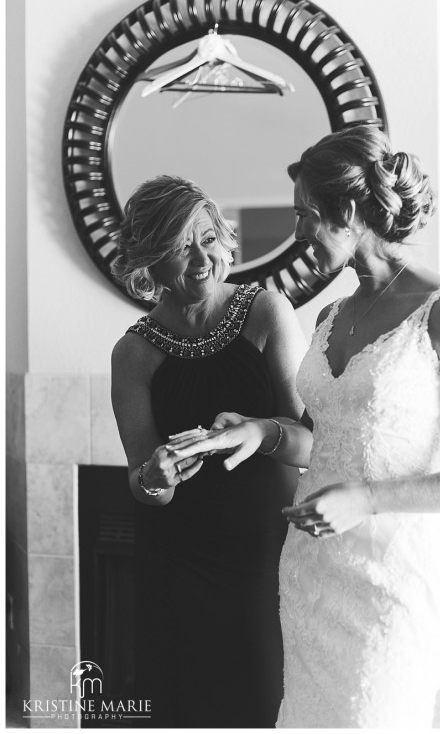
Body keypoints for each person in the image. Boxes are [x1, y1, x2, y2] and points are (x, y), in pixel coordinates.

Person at [169, 126, 440, 728]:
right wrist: (261, 432)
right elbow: (325, 442)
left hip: (392, 586)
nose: (298, 232)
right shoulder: (331, 316)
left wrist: (367, 499)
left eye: (306, 214)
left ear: (351, 211)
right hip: (311, 575)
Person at [110, 175, 305, 728]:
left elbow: (311, 442)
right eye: (180, 247)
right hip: (179, 566)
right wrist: (157, 476)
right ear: (150, 262)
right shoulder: (133, 354)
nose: (201, 259)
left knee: (268, 703)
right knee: (186, 707)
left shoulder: (267, 312)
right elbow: (143, 485)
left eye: (209, 239)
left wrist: (258, 430)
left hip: (266, 560)